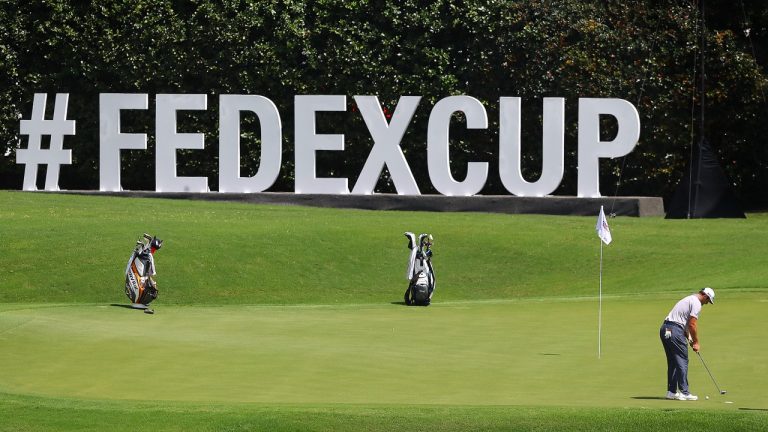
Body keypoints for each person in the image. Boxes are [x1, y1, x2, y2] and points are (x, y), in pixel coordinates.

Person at [659, 287, 715, 401]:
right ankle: (684, 392)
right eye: (708, 300)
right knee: (682, 360)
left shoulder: (689, 299)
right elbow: (692, 325)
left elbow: (683, 324)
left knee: (673, 362)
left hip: (665, 329)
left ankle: (671, 392)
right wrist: (696, 342)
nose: (707, 303)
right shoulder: (697, 303)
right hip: (675, 331)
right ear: (705, 296)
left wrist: (689, 338)